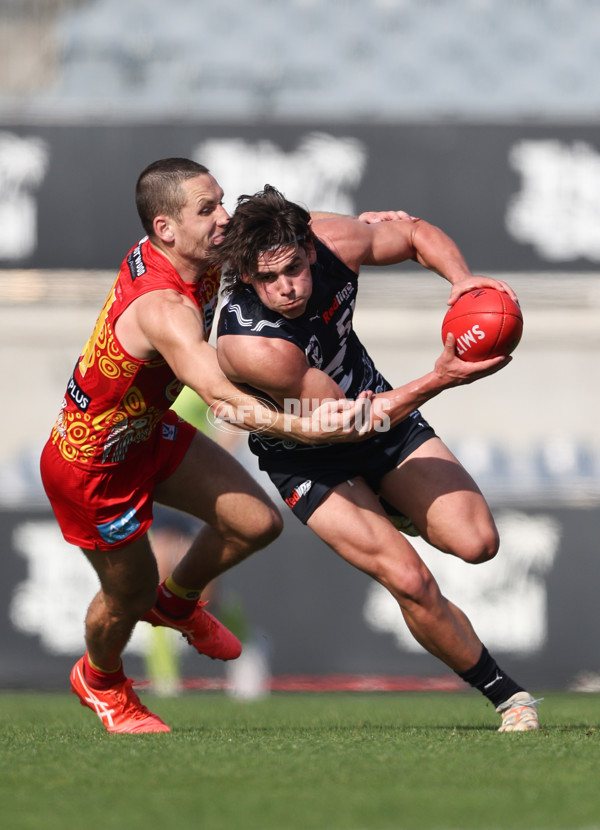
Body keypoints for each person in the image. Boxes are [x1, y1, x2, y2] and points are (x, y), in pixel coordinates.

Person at [39, 158, 384, 734]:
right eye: (208, 209)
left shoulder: (193, 250)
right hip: (92, 463)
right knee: (127, 595)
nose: (224, 218)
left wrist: (372, 226)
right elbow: (221, 396)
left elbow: (284, 234)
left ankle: (176, 606)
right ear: (165, 229)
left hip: (146, 430)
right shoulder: (165, 308)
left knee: (256, 523)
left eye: (221, 201)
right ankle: (100, 682)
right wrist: (303, 426)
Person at [215, 185, 541, 732]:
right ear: (246, 277)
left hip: (378, 408)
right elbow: (348, 421)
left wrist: (463, 282)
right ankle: (509, 697)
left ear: (310, 249)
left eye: (292, 268)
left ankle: (391, 505)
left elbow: (414, 234)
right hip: (311, 450)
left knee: (478, 543)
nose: (285, 288)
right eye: (266, 279)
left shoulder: (335, 237)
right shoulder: (254, 346)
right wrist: (442, 377)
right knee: (409, 579)